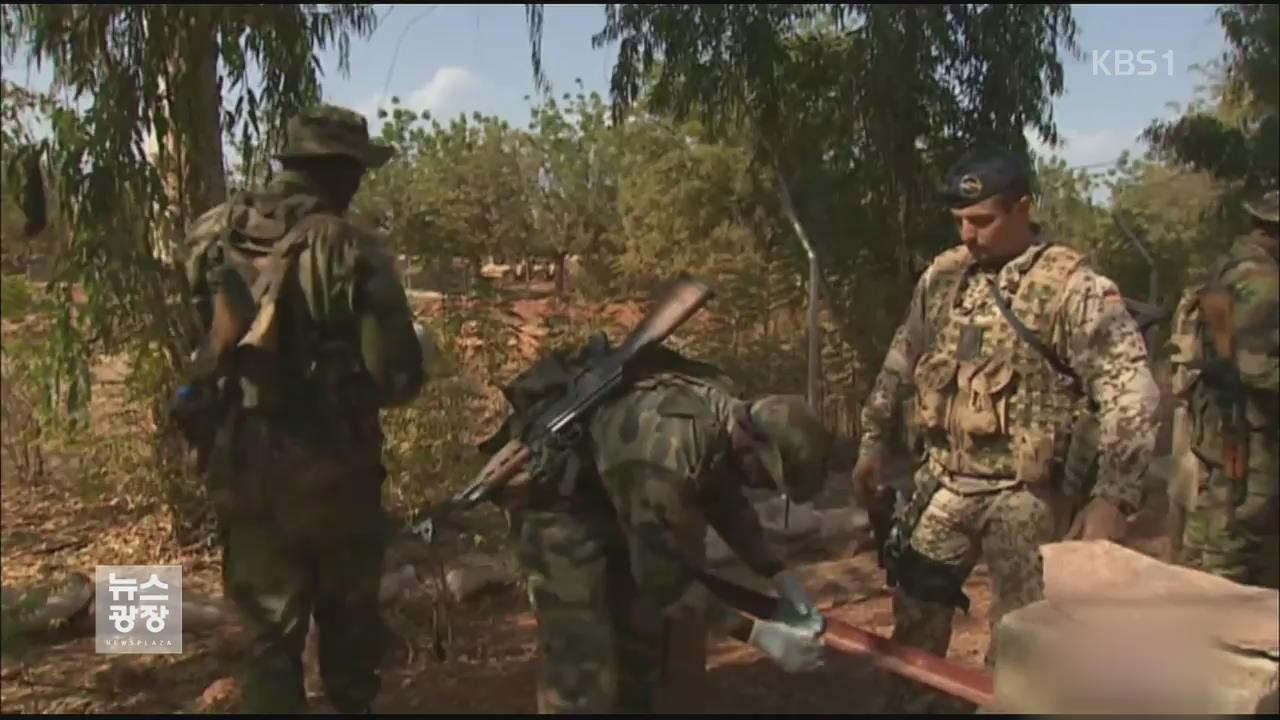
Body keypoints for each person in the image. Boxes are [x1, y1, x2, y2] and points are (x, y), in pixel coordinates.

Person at [849, 146, 1161, 711]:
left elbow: (1130, 392)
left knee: (1024, 636)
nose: (967, 234)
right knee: (917, 610)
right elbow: (902, 359)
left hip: (1027, 495)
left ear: (1022, 208)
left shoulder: (1074, 288)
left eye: (982, 220)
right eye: (960, 221)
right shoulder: (942, 278)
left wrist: (1115, 495)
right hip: (945, 482)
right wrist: (872, 440)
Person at [178, 105, 425, 713]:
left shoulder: (210, 233)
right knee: (347, 636)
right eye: (358, 172)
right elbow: (397, 377)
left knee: (268, 643)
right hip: (333, 473)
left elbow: (204, 339)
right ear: (342, 173)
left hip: (242, 463)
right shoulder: (352, 249)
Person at [493, 341, 832, 713]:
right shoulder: (671, 444)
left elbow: (723, 498)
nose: (762, 488)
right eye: (767, 480)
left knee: (642, 647)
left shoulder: (724, 419)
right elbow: (662, 577)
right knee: (584, 663)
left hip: (616, 498)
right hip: (558, 508)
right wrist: (759, 635)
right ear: (752, 447)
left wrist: (777, 571)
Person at [1171, 189, 1279, 587]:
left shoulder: (1228, 266)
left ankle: (1196, 590)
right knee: (1244, 522)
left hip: (1218, 413)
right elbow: (1256, 366)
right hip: (1248, 423)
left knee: (1215, 508)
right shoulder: (1264, 280)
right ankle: (1219, 608)